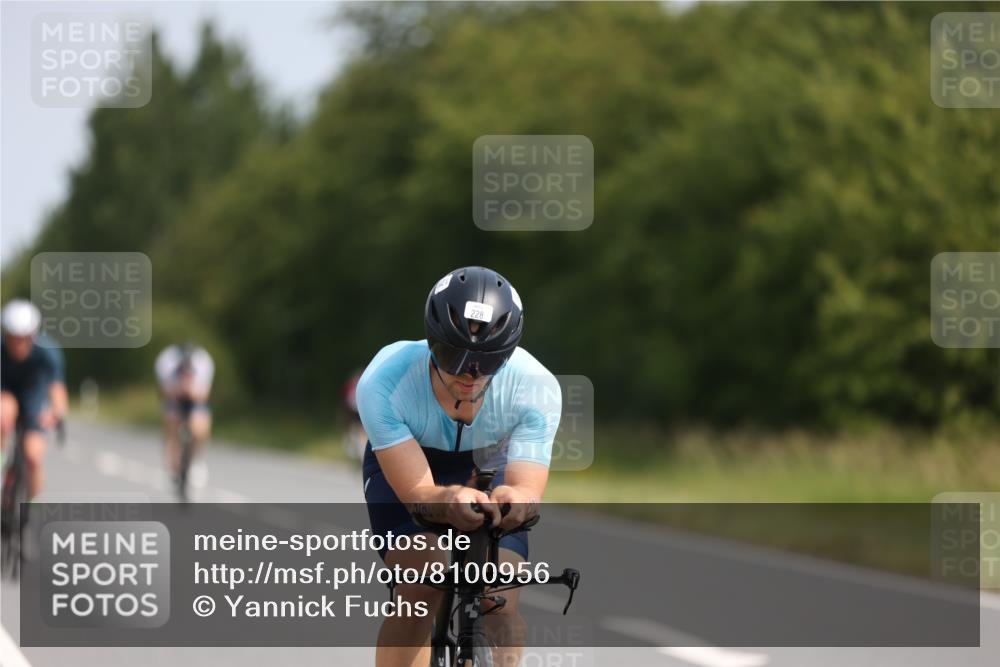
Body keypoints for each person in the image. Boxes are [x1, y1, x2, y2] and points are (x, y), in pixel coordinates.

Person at [357, 266, 562, 667]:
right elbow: (419, 494)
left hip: (489, 463)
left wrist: (514, 501)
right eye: (454, 357)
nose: (470, 374)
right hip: (411, 464)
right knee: (420, 590)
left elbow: (524, 487)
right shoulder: (384, 379)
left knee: (499, 599)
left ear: (510, 353)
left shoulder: (535, 386)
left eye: (489, 361)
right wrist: (448, 497)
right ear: (432, 344)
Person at [0, 299, 68, 499]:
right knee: (5, 413)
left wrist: (57, 413)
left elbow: (57, 388)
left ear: (32, 336)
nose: (17, 344)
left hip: (33, 397)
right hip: (5, 391)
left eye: (23, 338)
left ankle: (33, 505)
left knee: (33, 456)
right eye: (12, 338)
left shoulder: (48, 353)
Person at [154, 342, 214, 489]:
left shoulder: (204, 362)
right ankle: (172, 466)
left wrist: (192, 392)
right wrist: (177, 391)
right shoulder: (166, 362)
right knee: (171, 424)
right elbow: (164, 390)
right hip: (174, 397)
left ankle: (195, 460)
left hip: (195, 398)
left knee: (201, 426)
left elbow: (204, 393)